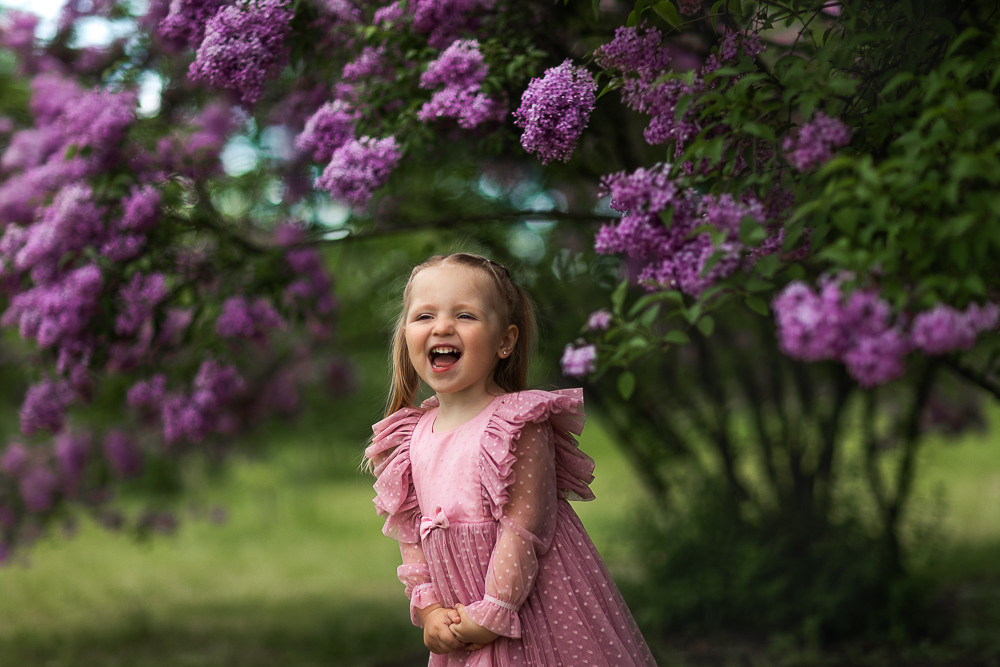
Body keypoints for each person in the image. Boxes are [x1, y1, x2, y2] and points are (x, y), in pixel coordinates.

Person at [365, 253, 656, 666]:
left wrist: (493, 611)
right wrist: (429, 607)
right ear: (406, 335)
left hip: (526, 613)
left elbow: (523, 526)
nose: (442, 326)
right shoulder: (410, 435)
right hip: (459, 621)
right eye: (424, 315)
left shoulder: (516, 424)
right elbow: (411, 533)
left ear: (505, 341)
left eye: (465, 315)